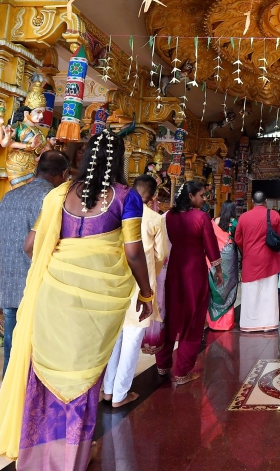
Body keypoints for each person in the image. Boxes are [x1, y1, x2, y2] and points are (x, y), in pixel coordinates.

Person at [0, 130, 153, 467]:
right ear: (119, 160)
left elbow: (31, 246)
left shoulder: (58, 195)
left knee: (44, 372)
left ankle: (39, 455)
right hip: (98, 301)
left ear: (83, 158)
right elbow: (132, 253)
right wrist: (145, 293)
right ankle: (73, 456)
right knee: (85, 376)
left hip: (53, 294)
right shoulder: (125, 196)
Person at [0, 150, 71, 375]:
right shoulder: (56, 198)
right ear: (64, 173)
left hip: (10, 281)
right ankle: (31, 394)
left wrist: (11, 241)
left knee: (13, 342)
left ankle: (8, 391)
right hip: (42, 282)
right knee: (41, 343)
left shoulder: (10, 196)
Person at [102, 174, 168, 406]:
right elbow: (161, 255)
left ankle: (108, 389)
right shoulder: (154, 218)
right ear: (151, 197)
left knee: (115, 338)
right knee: (132, 340)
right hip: (142, 287)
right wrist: (151, 274)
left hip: (117, 283)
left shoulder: (114, 212)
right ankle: (120, 394)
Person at [155, 180, 220, 383]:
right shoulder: (201, 217)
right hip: (194, 271)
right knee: (193, 318)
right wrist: (218, 270)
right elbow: (211, 247)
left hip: (174, 269)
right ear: (191, 197)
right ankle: (183, 370)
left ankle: (162, 364)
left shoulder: (169, 217)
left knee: (172, 314)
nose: (204, 199)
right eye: (201, 195)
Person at [234, 192, 280, 333]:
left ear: (252, 201)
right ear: (265, 201)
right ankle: (268, 323)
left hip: (250, 259)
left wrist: (248, 249)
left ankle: (249, 323)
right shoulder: (273, 215)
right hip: (269, 259)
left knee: (251, 292)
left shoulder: (243, 217)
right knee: (268, 291)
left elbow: (238, 238)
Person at [208, 201, 239, 331]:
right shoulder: (234, 223)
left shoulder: (213, 221)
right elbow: (239, 239)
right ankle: (226, 322)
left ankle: (213, 322)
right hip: (229, 254)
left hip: (214, 255)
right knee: (229, 284)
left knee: (215, 285)